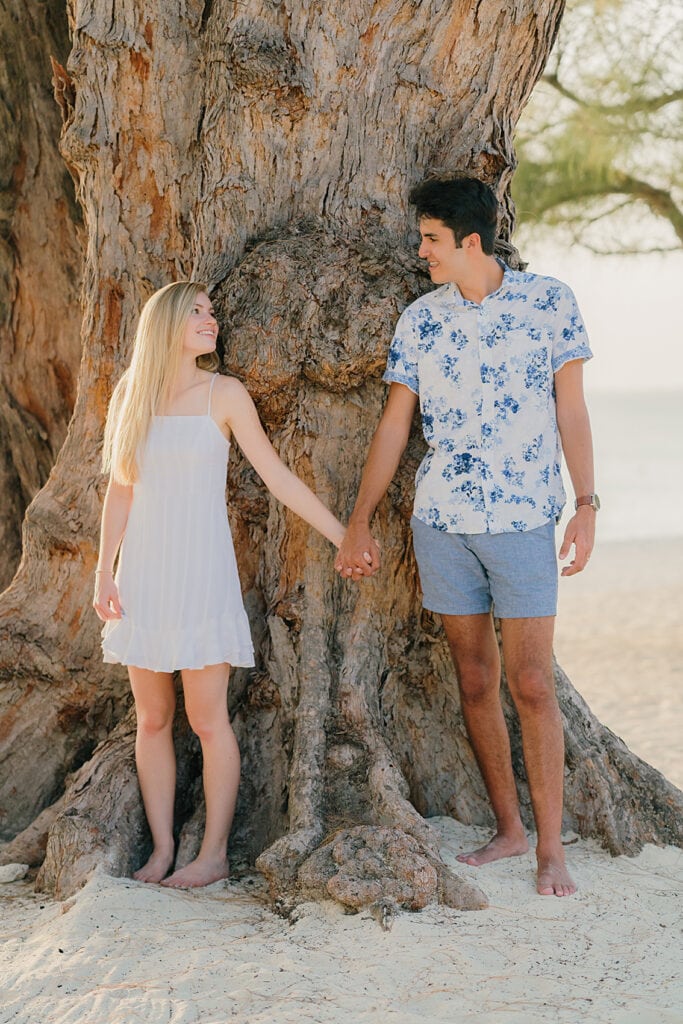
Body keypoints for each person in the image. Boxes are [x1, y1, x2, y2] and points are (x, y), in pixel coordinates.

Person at [335, 175, 598, 897]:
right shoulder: (420, 320)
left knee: (533, 682)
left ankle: (552, 848)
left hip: (521, 519)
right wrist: (359, 518)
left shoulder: (550, 304)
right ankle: (508, 831)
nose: (420, 251)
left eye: (430, 240)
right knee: (475, 677)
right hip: (443, 520)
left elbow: (570, 412)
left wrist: (586, 504)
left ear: (469, 242)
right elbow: (395, 425)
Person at [94, 281, 349, 889]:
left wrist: (344, 536)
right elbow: (121, 489)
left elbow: (279, 480)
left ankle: (211, 854)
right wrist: (104, 569)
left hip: (202, 575)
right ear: (168, 325)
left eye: (212, 313)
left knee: (208, 720)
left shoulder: (224, 394)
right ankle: (160, 850)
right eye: (198, 313)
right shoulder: (132, 394)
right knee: (151, 719)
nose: (212, 321)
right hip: (145, 578)